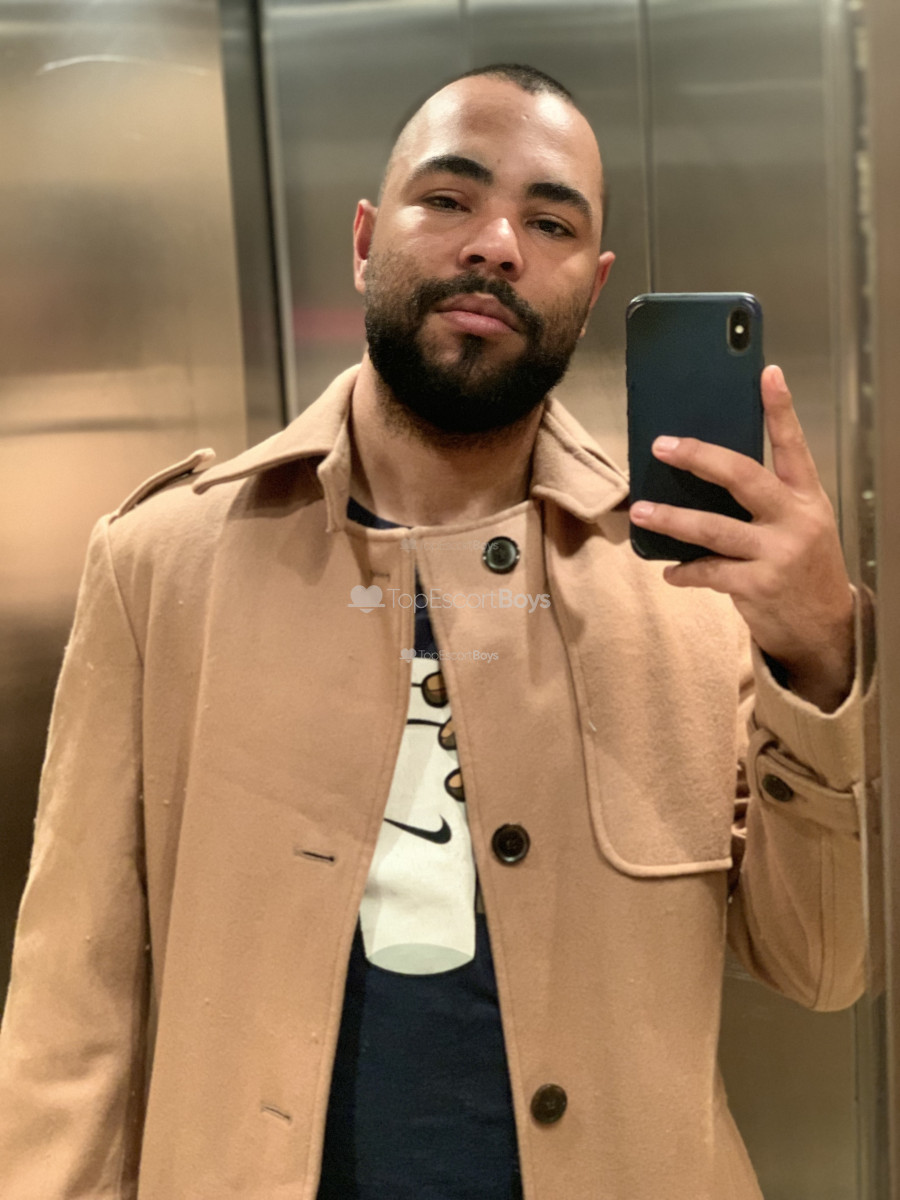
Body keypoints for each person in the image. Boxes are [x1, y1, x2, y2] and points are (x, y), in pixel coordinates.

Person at [0, 62, 874, 1200]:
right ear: (367, 241)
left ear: (593, 287)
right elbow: (70, 1017)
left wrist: (819, 656)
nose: (497, 245)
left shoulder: (694, 585)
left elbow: (823, 966)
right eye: (450, 197)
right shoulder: (163, 568)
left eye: (550, 222)